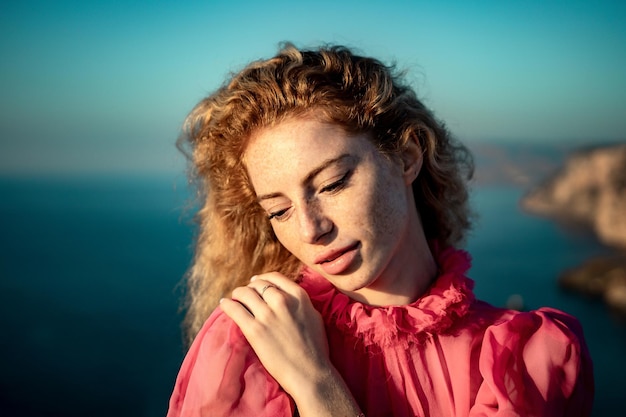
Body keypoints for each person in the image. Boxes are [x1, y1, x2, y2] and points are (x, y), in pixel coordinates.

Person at [167, 43, 594, 417]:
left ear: (406, 158)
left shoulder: (526, 359)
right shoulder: (250, 344)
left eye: (333, 183)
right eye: (278, 210)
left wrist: (318, 386)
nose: (310, 229)